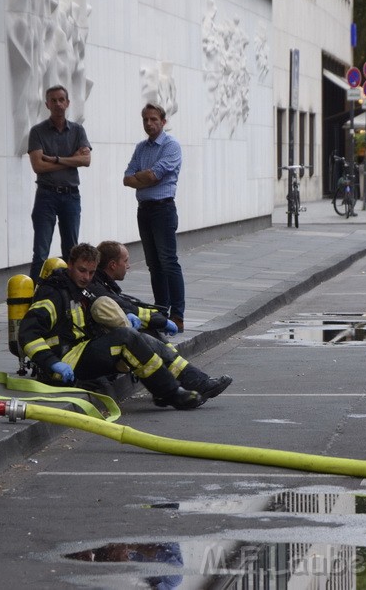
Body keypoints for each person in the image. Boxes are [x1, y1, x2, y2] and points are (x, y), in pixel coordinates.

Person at [17, 243, 205, 410]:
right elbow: (28, 333)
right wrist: (52, 363)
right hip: (64, 363)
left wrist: (129, 317)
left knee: (139, 338)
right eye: (82, 270)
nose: (86, 277)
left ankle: (170, 389)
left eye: (91, 272)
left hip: (79, 352)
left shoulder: (79, 290)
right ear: (70, 265)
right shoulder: (54, 294)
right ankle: (171, 393)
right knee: (127, 338)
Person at [89, 240, 232, 403]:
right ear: (113, 265)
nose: (128, 265)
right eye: (126, 260)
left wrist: (157, 321)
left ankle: (176, 383)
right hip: (99, 349)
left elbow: (128, 309)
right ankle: (194, 383)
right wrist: (162, 321)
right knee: (146, 339)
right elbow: (131, 310)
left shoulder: (101, 283)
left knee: (152, 333)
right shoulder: (96, 286)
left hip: (103, 342)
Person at [123, 103, 186, 331]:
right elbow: (127, 178)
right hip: (145, 209)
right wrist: (145, 177)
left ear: (163, 121)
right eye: (145, 120)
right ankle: (161, 313)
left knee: (168, 262)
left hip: (163, 210)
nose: (149, 123)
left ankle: (177, 316)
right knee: (154, 265)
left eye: (153, 119)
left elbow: (155, 175)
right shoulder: (141, 148)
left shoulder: (172, 146)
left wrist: (144, 176)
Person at [28, 84, 92, 283]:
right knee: (40, 251)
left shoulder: (78, 130)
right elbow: (38, 165)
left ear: (68, 103)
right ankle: (34, 297)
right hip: (46, 195)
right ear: (47, 104)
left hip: (71, 195)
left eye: (61, 100)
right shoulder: (37, 131)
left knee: (71, 250)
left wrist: (55, 159)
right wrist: (69, 160)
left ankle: (69, 293)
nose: (58, 104)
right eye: (53, 100)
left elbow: (86, 161)